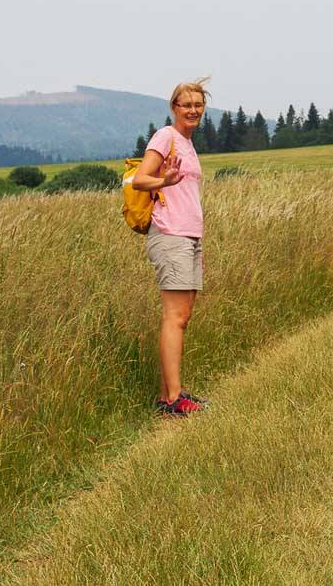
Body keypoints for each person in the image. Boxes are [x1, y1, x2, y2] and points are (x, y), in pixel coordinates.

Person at [132, 78, 211, 417]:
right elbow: (140, 179)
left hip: (188, 238)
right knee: (175, 317)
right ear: (174, 108)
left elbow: (188, 198)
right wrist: (163, 180)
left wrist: (199, 247)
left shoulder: (188, 143)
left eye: (198, 105)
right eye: (186, 105)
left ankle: (169, 395)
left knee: (182, 317)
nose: (193, 110)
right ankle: (175, 401)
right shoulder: (166, 136)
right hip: (170, 234)